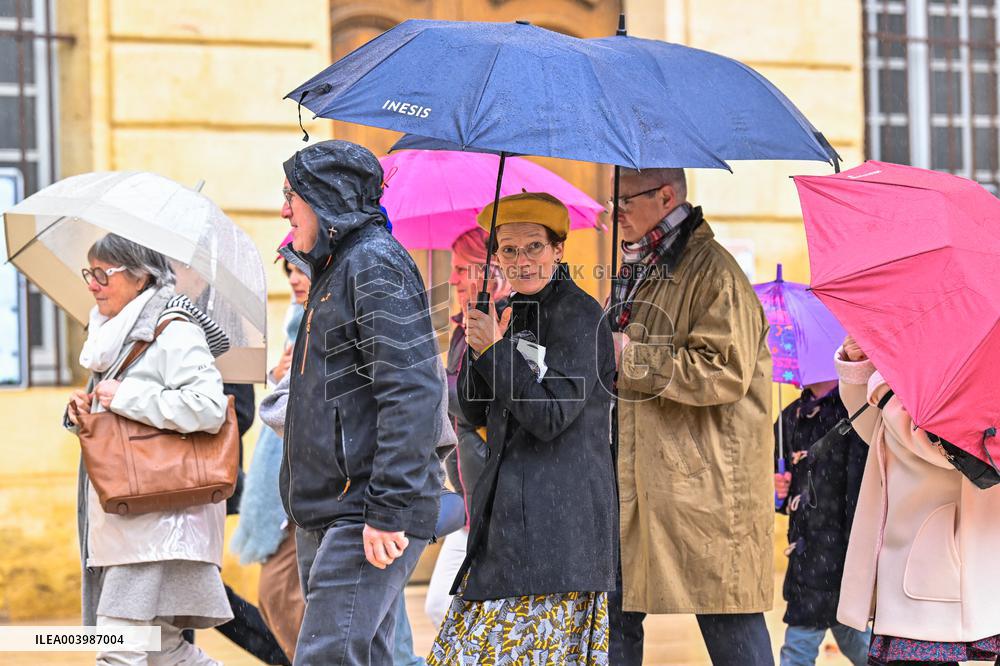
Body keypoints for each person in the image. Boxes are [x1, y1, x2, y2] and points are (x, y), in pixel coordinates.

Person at [428, 192, 617, 665]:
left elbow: (550, 417)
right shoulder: (509, 311)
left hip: (558, 536)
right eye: (508, 250)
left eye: (534, 246)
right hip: (507, 524)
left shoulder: (580, 316)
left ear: (558, 249)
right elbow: (473, 413)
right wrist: (475, 348)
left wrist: (495, 351)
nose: (521, 260)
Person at [278, 140, 445, 665]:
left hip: (366, 510)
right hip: (331, 509)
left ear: (324, 197)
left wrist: (388, 509)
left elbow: (413, 391)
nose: (284, 210)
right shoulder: (337, 267)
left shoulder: (374, 264)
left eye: (291, 195)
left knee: (327, 657)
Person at [609, 168, 775, 665]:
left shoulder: (714, 272)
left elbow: (724, 372)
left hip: (708, 490)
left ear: (666, 197)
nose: (615, 215)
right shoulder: (642, 267)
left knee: (729, 619)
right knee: (613, 616)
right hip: (638, 481)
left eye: (625, 202)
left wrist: (628, 356)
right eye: (611, 204)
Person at [66, 233, 231, 665]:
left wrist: (124, 397)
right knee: (165, 651)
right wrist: (85, 412)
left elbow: (209, 408)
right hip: (135, 522)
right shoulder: (114, 337)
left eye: (103, 273)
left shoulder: (173, 331)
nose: (93, 284)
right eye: (90, 272)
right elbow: (122, 421)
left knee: (118, 651)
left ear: (140, 277)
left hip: (158, 522)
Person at [836, 335, 1000, 666]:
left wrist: (884, 393)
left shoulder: (981, 349)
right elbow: (877, 434)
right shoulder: (926, 332)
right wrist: (860, 365)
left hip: (947, 559)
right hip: (914, 552)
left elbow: (967, 452)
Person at [424, 226, 510, 628]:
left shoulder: (508, 321)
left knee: (457, 609)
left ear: (489, 273)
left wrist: (431, 384)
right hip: (470, 497)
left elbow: (479, 404)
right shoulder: (464, 326)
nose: (454, 279)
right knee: (443, 608)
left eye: (462, 269)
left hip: (497, 499)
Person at [230, 255, 309, 663]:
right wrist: (281, 379)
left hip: (307, 487)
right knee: (279, 598)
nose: (294, 279)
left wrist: (288, 381)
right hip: (286, 484)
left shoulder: (324, 325)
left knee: (278, 594)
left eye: (301, 269)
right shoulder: (297, 326)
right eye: (289, 271)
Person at [773, 378, 871, 666]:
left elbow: (861, 488)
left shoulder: (854, 415)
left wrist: (860, 550)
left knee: (854, 640)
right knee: (810, 642)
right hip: (806, 554)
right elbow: (785, 497)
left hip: (843, 549)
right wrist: (780, 491)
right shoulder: (790, 417)